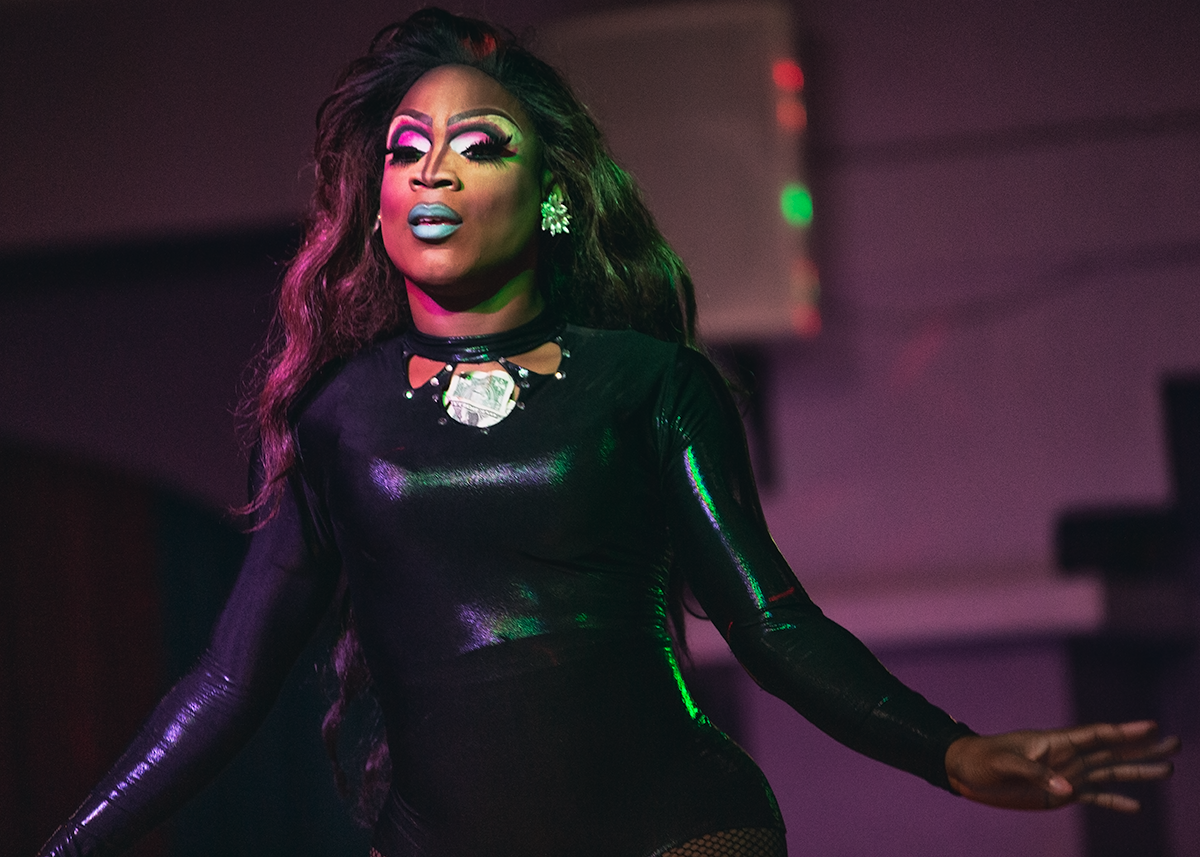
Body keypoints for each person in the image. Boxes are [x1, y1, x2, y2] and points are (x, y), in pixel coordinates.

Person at [39, 9, 1179, 857]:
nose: (433, 165)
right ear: (378, 204)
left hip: (675, 833)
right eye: (404, 148)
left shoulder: (654, 385)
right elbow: (229, 682)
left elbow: (772, 621)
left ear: (549, 196)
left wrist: (951, 751)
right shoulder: (337, 414)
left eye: (479, 143)